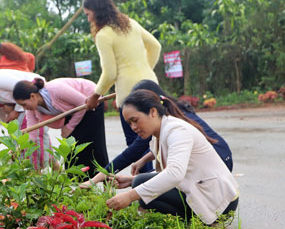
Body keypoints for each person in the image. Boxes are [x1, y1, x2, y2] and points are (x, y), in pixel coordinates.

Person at [105, 89, 239, 225]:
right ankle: (187, 224)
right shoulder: (160, 133)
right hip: (206, 192)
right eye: (129, 123)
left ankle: (194, 226)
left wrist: (129, 196)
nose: (133, 127)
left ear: (153, 112)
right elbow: (168, 173)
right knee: (139, 181)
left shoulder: (177, 131)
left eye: (135, 120)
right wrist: (130, 180)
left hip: (221, 201)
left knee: (140, 189)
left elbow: (174, 174)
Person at [81, 80, 233, 188]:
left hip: (216, 166)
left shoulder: (169, 122)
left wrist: (94, 180)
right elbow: (172, 146)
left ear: (151, 107)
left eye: (135, 119)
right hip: (220, 159)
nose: (134, 127)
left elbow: (128, 155)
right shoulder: (171, 113)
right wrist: (144, 160)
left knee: (149, 183)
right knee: (146, 181)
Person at [81, 0, 162, 147]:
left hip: (128, 93)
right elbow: (155, 46)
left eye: (88, 14)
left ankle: (145, 173)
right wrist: (144, 70)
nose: (88, 19)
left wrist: (95, 96)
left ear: (96, 12)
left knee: (136, 146)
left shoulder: (103, 35)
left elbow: (110, 73)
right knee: (159, 141)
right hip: (151, 86)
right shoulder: (130, 23)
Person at [12, 77, 109, 176]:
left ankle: (106, 179)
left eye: (24, 104)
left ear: (32, 96)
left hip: (90, 102)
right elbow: (32, 132)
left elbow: (82, 102)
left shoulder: (56, 89)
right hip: (73, 111)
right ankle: (80, 183)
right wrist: (20, 148)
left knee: (95, 146)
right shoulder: (31, 109)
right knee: (71, 149)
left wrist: (69, 127)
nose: (24, 108)